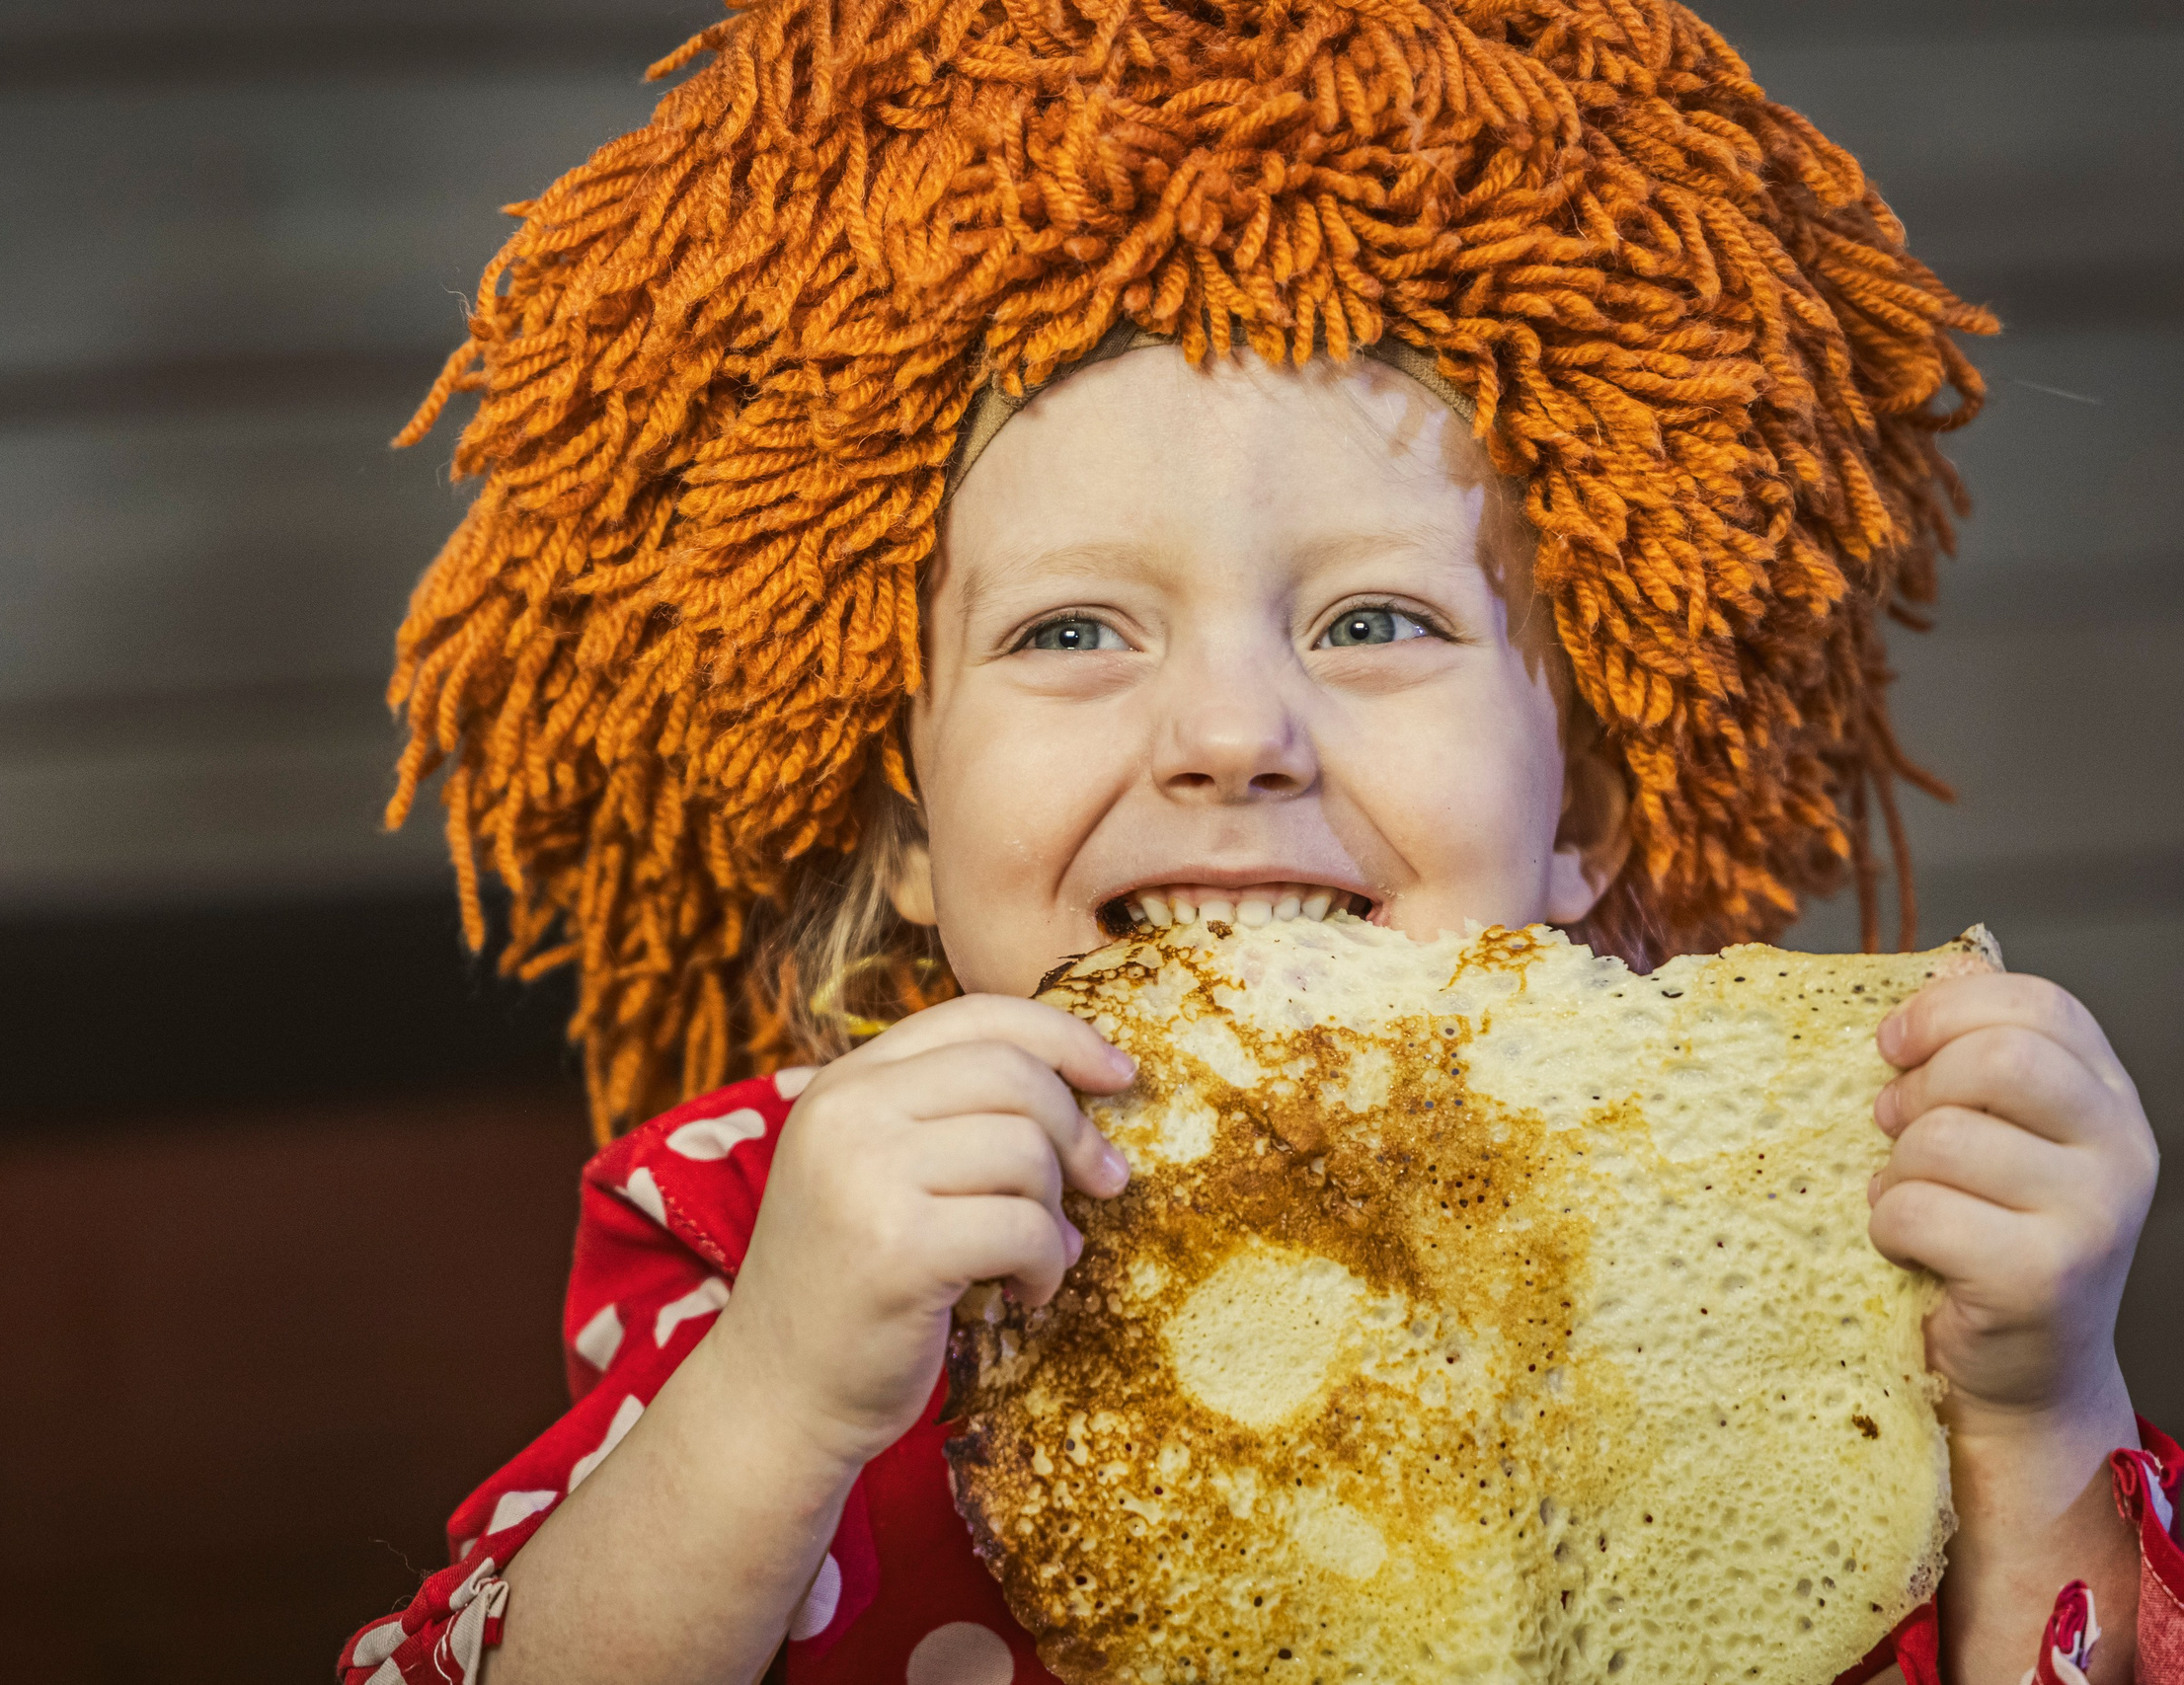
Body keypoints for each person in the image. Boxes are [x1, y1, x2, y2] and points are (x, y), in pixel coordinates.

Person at [336, 2, 2172, 1681]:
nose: (1232, 735)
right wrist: (780, 1399)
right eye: (1073, 630)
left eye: (1375, 621)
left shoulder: (1833, 1237)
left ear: (1586, 818)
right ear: (904, 827)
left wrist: (2040, 1413)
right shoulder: (773, 1217)